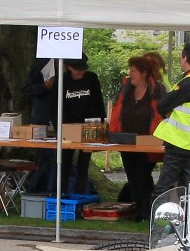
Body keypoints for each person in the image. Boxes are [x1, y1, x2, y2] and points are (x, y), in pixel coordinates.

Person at [24, 54, 104, 195]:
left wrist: (101, 122)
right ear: (69, 67)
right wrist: (61, 128)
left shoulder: (92, 78)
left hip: (89, 125)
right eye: (77, 70)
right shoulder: (62, 81)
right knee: (64, 162)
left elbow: (98, 101)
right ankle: (63, 194)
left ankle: (81, 194)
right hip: (68, 126)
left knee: (84, 163)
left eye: (83, 69)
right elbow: (55, 107)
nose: (80, 73)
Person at [150, 41, 190, 205]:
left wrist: (169, 111)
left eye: (181, 57)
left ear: (185, 58)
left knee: (163, 188)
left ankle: (158, 218)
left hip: (178, 141)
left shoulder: (188, 83)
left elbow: (162, 105)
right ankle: (188, 218)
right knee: (188, 187)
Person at [109, 53, 166, 220]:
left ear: (144, 73)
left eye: (133, 71)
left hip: (148, 142)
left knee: (142, 175)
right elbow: (118, 111)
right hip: (126, 141)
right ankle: (139, 209)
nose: (130, 74)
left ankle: (145, 210)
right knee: (132, 177)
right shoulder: (126, 90)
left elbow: (164, 114)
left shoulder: (157, 90)